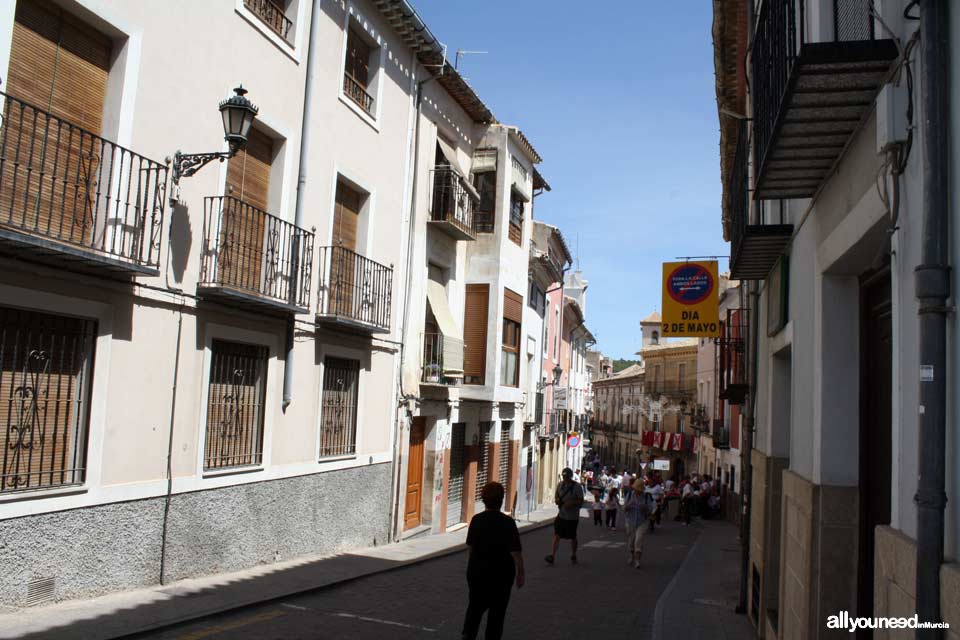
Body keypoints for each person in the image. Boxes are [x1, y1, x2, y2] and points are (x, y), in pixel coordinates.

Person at [461, 482, 525, 640]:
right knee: (497, 615)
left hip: (478, 574)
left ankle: (467, 635)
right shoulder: (508, 522)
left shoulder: (476, 520)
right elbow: (516, 552)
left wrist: (471, 568)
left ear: (483, 500)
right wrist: (521, 573)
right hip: (502, 576)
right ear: (501, 500)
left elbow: (470, 547)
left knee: (474, 609)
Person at [545, 468, 585, 565]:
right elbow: (556, 495)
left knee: (572, 537)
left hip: (572, 517)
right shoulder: (560, 485)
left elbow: (581, 501)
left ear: (570, 476)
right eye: (564, 476)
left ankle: (573, 554)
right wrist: (557, 500)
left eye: (567, 476)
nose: (565, 478)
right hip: (562, 515)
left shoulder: (577, 487)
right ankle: (552, 555)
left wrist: (571, 503)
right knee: (557, 535)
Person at [622, 488, 653, 568]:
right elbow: (624, 508)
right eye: (636, 490)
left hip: (642, 522)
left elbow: (650, 510)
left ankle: (637, 561)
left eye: (639, 490)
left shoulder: (646, 496)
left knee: (638, 540)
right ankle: (631, 556)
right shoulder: (629, 495)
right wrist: (629, 505)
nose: (637, 492)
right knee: (631, 542)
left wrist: (645, 507)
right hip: (630, 522)